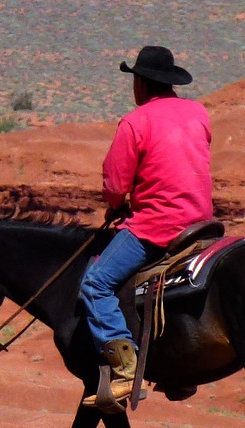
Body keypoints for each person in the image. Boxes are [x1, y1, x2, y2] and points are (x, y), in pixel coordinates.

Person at [79, 45, 213, 409]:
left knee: (95, 284)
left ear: (141, 82)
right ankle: (180, 369)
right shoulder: (198, 113)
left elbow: (115, 187)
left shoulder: (135, 122)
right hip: (202, 223)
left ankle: (124, 370)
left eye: (134, 80)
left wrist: (119, 204)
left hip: (158, 225)